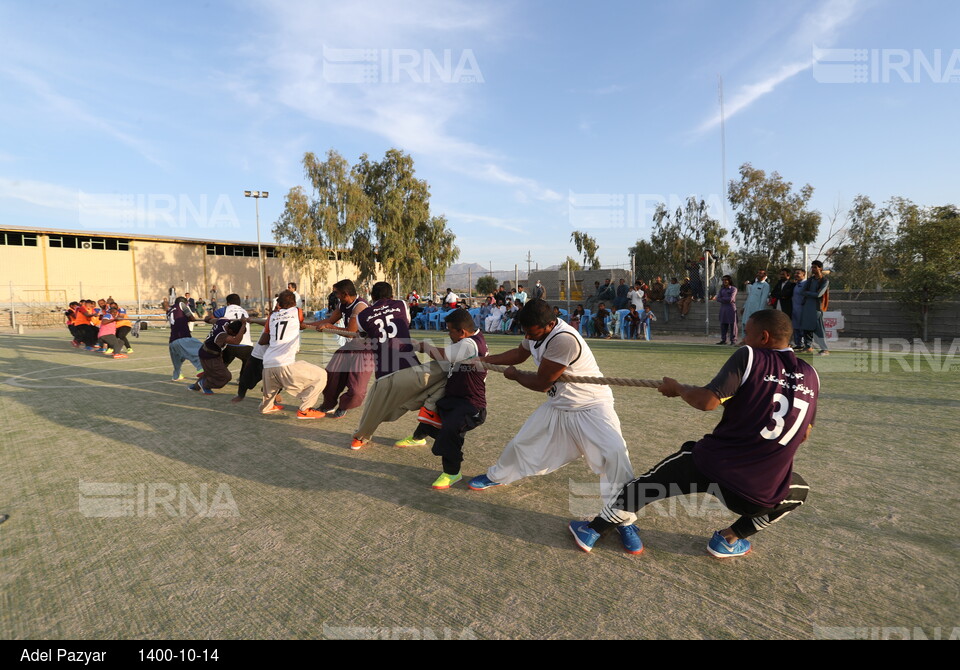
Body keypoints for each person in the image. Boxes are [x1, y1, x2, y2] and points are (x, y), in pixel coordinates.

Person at [569, 309, 819, 558]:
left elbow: (708, 402)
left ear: (764, 337)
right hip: (759, 496)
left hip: (713, 466)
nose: (743, 339)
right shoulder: (811, 376)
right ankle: (728, 540)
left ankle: (592, 531)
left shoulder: (751, 356)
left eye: (747, 333)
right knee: (799, 491)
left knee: (645, 487)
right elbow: (804, 433)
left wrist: (677, 388)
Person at [467, 299, 641, 553]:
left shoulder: (563, 340)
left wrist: (515, 375)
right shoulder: (535, 330)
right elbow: (520, 353)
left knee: (615, 454)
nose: (527, 336)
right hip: (559, 405)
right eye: (524, 331)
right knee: (521, 443)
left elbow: (541, 383)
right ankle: (498, 476)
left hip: (591, 406)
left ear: (550, 324)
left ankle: (623, 519)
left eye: (531, 331)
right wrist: (484, 359)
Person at [394, 309, 488, 489]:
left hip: (471, 405)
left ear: (462, 332)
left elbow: (442, 355)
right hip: (456, 397)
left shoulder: (469, 343)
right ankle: (418, 437)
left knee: (451, 431)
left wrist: (424, 346)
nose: (448, 334)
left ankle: (452, 473)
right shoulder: (474, 338)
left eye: (450, 330)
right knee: (432, 411)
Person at [349, 282, 446, 450]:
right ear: (392, 295)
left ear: (372, 297)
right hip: (413, 373)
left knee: (372, 410)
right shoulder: (401, 304)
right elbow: (404, 324)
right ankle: (430, 407)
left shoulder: (362, 316)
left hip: (385, 378)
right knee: (451, 369)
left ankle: (360, 437)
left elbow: (362, 335)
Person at [259, 290, 326, 418]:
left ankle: (266, 407)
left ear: (279, 304)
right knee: (321, 375)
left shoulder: (272, 316)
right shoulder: (297, 311)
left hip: (267, 363)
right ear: (294, 302)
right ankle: (305, 409)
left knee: (269, 392)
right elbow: (300, 324)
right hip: (284, 363)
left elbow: (263, 340)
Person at [314, 279, 374, 419]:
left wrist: (331, 328)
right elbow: (328, 321)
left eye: (337, 293)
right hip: (350, 347)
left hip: (365, 350)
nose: (335, 296)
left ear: (345, 293)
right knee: (330, 375)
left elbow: (350, 332)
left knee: (357, 390)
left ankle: (344, 406)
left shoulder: (360, 306)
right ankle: (328, 405)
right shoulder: (343, 304)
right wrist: (305, 324)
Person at [190, 318, 247, 394]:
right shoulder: (221, 334)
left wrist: (207, 319)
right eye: (235, 335)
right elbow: (236, 341)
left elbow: (212, 320)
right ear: (230, 331)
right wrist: (243, 325)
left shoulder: (223, 321)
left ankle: (196, 386)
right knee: (226, 376)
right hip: (209, 355)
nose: (234, 336)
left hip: (208, 351)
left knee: (209, 371)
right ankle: (205, 384)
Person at [167, 297, 203, 381]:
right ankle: (201, 368)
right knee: (201, 349)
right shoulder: (181, 304)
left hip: (172, 341)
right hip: (183, 337)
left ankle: (177, 375)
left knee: (177, 363)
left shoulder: (170, 310)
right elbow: (192, 318)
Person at [800, 261, 830, 355]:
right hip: (807, 306)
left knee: (819, 329)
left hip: (817, 308)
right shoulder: (810, 280)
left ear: (820, 268)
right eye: (812, 267)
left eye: (815, 267)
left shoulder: (824, 281)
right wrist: (810, 293)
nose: (813, 269)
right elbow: (802, 291)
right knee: (806, 327)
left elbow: (819, 295)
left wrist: (808, 293)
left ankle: (824, 349)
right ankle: (808, 346)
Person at [740, 270, 770, 342]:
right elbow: (749, 296)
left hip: (756, 309)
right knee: (745, 323)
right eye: (758, 273)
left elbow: (763, 299)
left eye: (760, 273)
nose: (758, 274)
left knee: (754, 325)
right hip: (748, 308)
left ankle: (752, 341)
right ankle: (744, 340)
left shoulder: (766, 285)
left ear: (764, 275)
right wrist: (744, 307)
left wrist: (759, 311)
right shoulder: (755, 284)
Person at [714, 275, 738, 345]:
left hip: (731, 308)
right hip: (723, 308)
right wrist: (724, 299)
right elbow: (718, 298)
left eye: (726, 280)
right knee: (723, 324)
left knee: (733, 324)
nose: (724, 281)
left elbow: (731, 299)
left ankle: (733, 340)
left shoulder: (733, 289)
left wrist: (722, 299)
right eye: (723, 280)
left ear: (729, 280)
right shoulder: (722, 289)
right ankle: (723, 340)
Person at [790, 269, 807, 349]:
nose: (796, 275)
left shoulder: (806, 284)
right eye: (795, 273)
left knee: (802, 327)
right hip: (795, 308)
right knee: (796, 327)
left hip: (803, 309)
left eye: (798, 273)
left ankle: (805, 344)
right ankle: (798, 344)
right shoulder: (796, 284)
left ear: (803, 275)